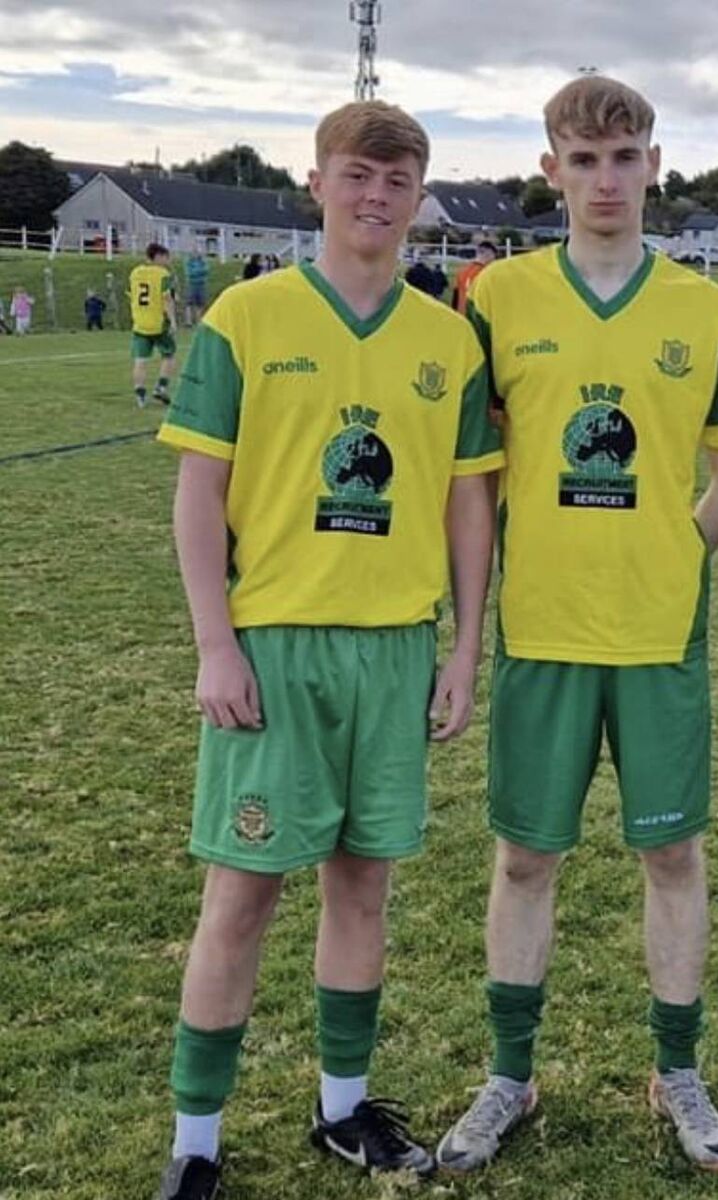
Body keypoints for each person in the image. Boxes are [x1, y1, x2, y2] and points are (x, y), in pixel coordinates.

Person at [153, 100, 503, 1200]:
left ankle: (343, 1108)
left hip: (394, 650)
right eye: (357, 175)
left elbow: (468, 506)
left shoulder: (449, 340)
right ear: (317, 184)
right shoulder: (247, 317)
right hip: (275, 646)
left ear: (420, 197)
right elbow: (199, 492)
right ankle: (196, 1141)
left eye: (398, 181)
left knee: (363, 890)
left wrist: (464, 648)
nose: (376, 197)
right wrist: (216, 643)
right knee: (242, 897)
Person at [436, 75, 718, 1174]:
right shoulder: (497, 297)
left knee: (673, 851)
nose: (607, 179)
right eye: (584, 159)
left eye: (625, 158)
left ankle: (677, 1070)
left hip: (659, 633)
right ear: (552, 171)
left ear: (654, 166)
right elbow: (474, 469)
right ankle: (508, 1077)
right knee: (526, 856)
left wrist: (677, 549)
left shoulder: (710, 312)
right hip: (541, 628)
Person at [129, 243, 177, 407]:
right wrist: (172, 320)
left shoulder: (135, 273)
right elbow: (167, 299)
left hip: (140, 323)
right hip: (158, 323)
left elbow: (132, 295)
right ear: (158, 256)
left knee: (140, 360)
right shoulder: (162, 274)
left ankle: (140, 395)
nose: (167, 261)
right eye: (166, 257)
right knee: (168, 355)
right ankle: (160, 388)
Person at [451, 240, 497, 313]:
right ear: (489, 254)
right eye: (494, 257)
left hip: (462, 314)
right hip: (478, 315)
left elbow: (455, 297)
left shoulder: (461, 271)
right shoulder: (487, 273)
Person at [184, 250, 210, 326]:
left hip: (201, 285)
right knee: (189, 303)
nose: (195, 254)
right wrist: (200, 272)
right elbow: (189, 273)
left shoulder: (202, 262)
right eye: (194, 252)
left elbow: (206, 270)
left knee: (200, 304)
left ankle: (198, 320)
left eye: (197, 252)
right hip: (191, 285)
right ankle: (188, 321)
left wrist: (196, 271)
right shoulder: (189, 262)